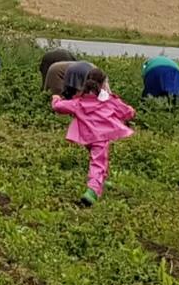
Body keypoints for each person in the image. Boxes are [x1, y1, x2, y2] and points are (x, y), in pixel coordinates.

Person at [52, 67, 136, 206]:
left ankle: (101, 180)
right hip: (101, 137)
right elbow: (126, 112)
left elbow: (59, 107)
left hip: (86, 137)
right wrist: (132, 111)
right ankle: (92, 191)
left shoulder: (79, 102)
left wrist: (55, 99)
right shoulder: (109, 101)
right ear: (103, 83)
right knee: (98, 162)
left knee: (99, 159)